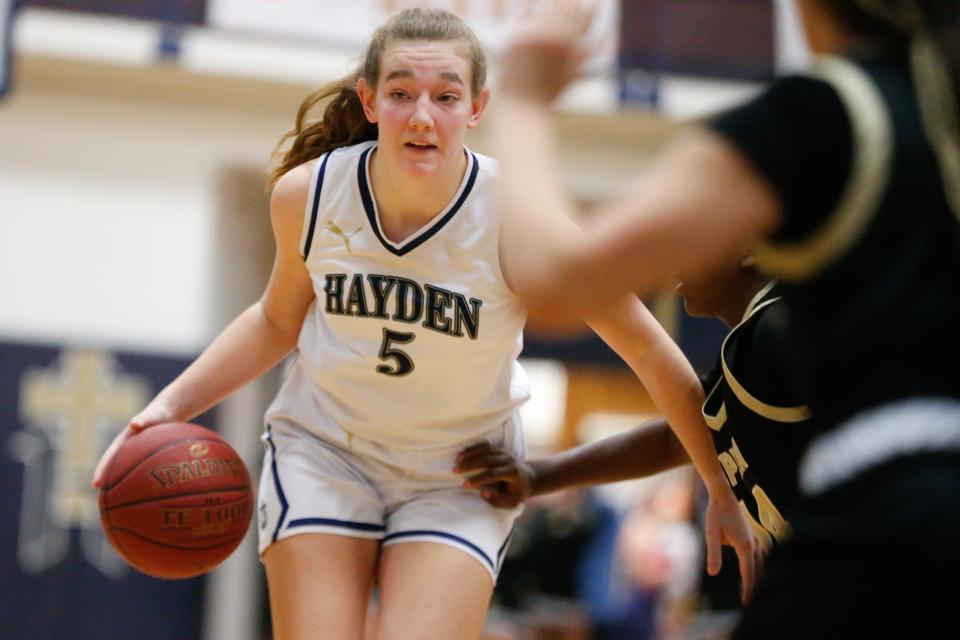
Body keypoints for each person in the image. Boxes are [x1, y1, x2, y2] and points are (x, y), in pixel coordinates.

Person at [91, 9, 756, 639]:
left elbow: (649, 349)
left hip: (458, 473)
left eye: (445, 95)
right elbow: (273, 321)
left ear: (477, 108)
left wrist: (717, 484)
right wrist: (168, 405)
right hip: (326, 452)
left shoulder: (516, 218)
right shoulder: (309, 195)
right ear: (371, 101)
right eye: (402, 92)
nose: (423, 115)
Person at [491, 0, 960, 636]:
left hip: (891, 515)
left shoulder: (821, 116)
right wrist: (544, 474)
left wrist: (521, 99)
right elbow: (694, 429)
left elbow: (555, 285)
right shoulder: (932, 106)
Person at [457, 258, 811, 597]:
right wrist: (538, 477)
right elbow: (679, 437)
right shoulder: (745, 352)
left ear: (746, 248)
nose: (675, 265)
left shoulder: (785, 326)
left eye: (692, 243)